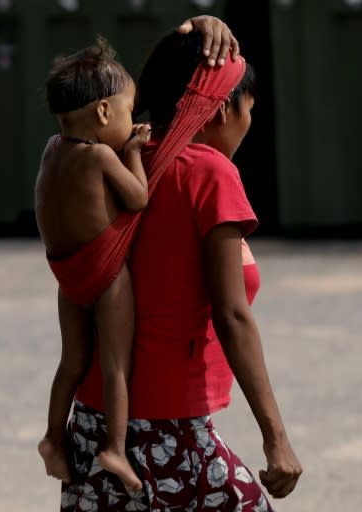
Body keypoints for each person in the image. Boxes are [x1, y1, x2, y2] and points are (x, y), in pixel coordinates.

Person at [58, 20, 302, 512]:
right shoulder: (209, 173)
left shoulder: (110, 159)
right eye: (248, 110)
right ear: (220, 109)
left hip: (93, 423)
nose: (248, 124)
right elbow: (232, 316)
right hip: (167, 431)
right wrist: (276, 438)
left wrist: (206, 27)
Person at [35, 37, 150, 492]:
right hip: (104, 274)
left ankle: (51, 438)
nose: (132, 121)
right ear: (104, 113)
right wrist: (136, 151)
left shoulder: (52, 149)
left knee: (72, 361)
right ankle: (115, 450)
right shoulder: (102, 155)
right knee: (115, 365)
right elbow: (138, 199)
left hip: (67, 274)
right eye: (129, 112)